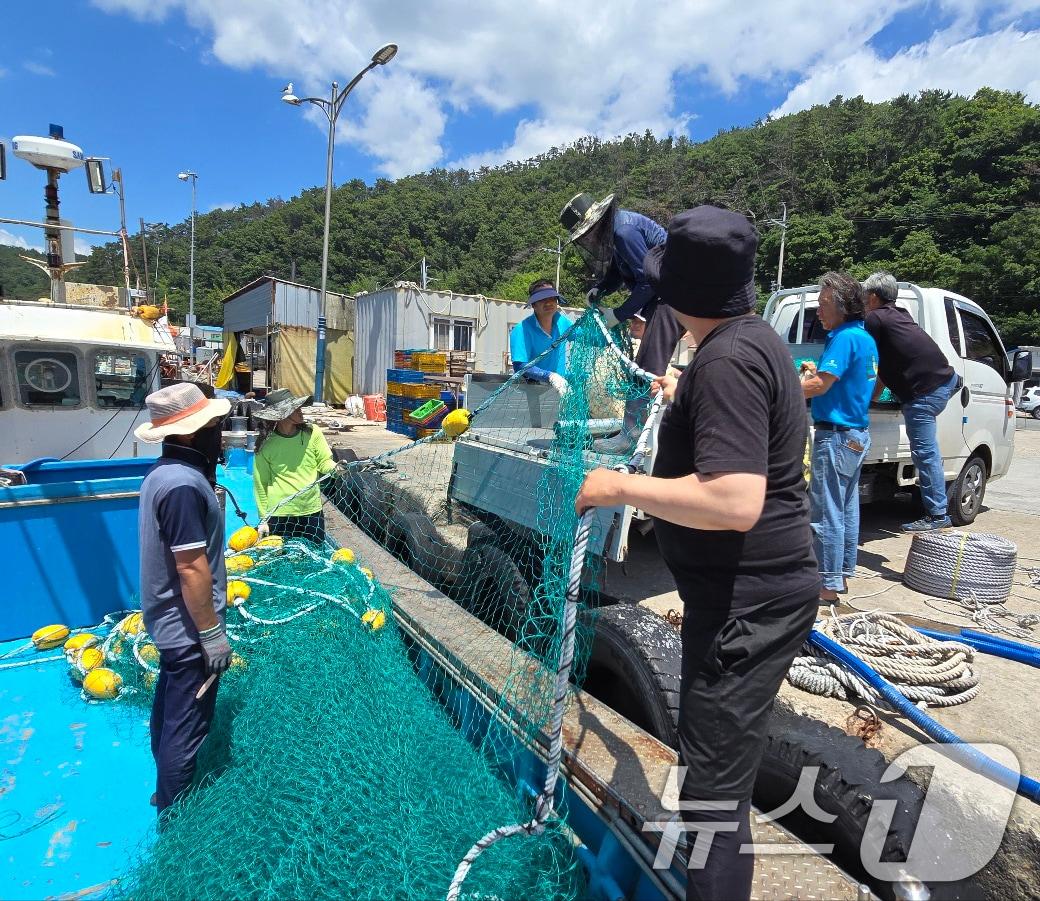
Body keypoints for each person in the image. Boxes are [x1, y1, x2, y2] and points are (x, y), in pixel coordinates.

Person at [575, 207, 818, 901]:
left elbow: (736, 499)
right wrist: (681, 390)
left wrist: (619, 483)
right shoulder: (752, 339)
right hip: (753, 595)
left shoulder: (729, 362)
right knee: (716, 778)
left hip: (748, 605)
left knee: (711, 802)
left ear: (681, 293)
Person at [134, 382, 233, 818]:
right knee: (187, 725)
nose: (221, 431)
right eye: (215, 424)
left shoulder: (163, 474)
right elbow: (191, 567)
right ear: (194, 433)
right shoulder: (182, 486)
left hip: (169, 625)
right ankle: (175, 819)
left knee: (171, 706)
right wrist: (211, 635)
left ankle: (163, 790)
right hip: (188, 630)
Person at [560, 192, 685, 452]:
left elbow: (650, 280)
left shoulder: (624, 232)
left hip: (672, 298)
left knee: (647, 366)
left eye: (588, 232)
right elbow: (618, 272)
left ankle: (631, 437)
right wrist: (601, 288)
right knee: (646, 366)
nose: (589, 239)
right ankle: (642, 430)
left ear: (598, 223)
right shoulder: (617, 233)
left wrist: (619, 314)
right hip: (663, 298)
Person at [799, 272, 878, 603]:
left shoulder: (844, 337)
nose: (818, 311)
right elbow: (837, 381)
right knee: (845, 509)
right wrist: (815, 374)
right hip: (856, 435)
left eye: (823, 304)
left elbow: (821, 387)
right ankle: (840, 573)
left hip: (837, 435)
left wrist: (775, 386)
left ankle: (826, 584)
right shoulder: (864, 338)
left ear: (844, 306)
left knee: (826, 510)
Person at [863, 271, 959, 531]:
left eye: (864, 295)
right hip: (947, 380)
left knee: (925, 454)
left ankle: (938, 516)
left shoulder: (874, 318)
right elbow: (885, 367)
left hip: (924, 394)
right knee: (927, 452)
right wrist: (872, 399)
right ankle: (937, 512)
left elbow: (863, 358)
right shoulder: (901, 314)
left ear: (872, 296)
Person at [252, 388, 337, 543]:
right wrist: (263, 519)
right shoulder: (266, 445)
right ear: (283, 414)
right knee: (282, 561)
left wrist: (336, 468)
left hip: (312, 511)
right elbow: (261, 484)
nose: (301, 411)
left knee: (314, 559)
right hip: (279, 513)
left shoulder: (312, 433)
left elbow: (324, 461)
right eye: (295, 408)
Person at [509, 279, 574, 395]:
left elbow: (586, 336)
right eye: (543, 299)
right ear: (533, 304)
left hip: (561, 391)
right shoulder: (521, 330)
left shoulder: (562, 322)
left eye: (552, 298)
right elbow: (520, 366)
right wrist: (549, 376)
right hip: (530, 394)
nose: (549, 303)